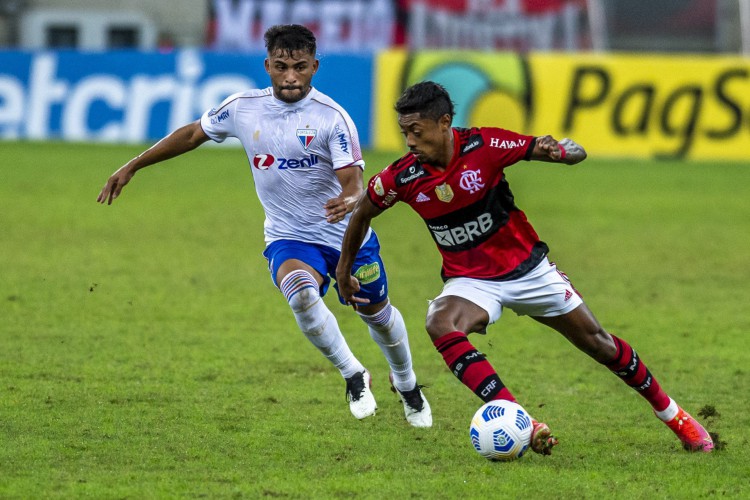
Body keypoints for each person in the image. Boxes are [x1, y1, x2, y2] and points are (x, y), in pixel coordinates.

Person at [336, 81, 713, 453]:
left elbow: (554, 149)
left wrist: (562, 153)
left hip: (529, 270)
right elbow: (361, 215)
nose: (410, 142)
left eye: (416, 132)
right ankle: (522, 421)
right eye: (404, 133)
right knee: (439, 321)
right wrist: (343, 269)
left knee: (600, 344)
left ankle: (675, 416)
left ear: (445, 122)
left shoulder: (485, 146)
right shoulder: (402, 177)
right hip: (471, 281)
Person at [96, 24, 431, 428]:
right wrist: (132, 165)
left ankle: (408, 384)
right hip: (289, 237)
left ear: (314, 67)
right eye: (282, 66)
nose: (291, 76)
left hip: (346, 238)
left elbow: (354, 181)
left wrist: (349, 199)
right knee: (302, 299)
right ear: (268, 66)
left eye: (300, 67)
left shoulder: (332, 118)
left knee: (377, 315)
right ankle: (353, 374)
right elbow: (190, 135)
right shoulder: (242, 107)